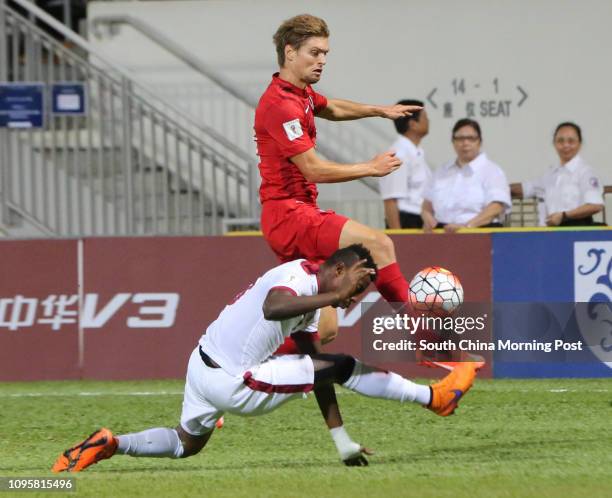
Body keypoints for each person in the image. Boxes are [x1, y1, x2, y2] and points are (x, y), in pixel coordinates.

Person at [51, 245, 478, 472]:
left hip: (201, 366)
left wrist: (341, 441)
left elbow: (318, 371)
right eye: (360, 284)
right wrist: (337, 296)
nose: (358, 294)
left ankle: (111, 444)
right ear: (341, 269)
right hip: (235, 379)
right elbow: (274, 307)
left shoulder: (310, 296)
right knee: (344, 365)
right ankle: (435, 399)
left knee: (187, 443)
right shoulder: (296, 277)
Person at [256, 14, 437, 365]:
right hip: (289, 214)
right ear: (289, 52)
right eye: (314, 52)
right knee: (379, 243)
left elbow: (334, 107)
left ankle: (237, 373)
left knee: (323, 331)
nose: (322, 60)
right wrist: (370, 167)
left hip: (292, 215)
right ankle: (426, 338)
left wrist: (379, 110)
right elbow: (312, 169)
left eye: (325, 53)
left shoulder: (301, 93)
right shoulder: (280, 105)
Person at [421, 118, 511, 233]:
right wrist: (427, 216)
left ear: (479, 142)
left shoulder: (492, 171)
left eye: (471, 138)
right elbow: (427, 203)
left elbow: (496, 207)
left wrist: (467, 227)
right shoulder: (441, 171)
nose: (465, 143)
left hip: (480, 233)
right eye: (460, 138)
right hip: (442, 233)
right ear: (453, 142)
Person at [510, 122, 604, 226]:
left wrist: (564, 216)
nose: (565, 145)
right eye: (560, 141)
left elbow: (595, 205)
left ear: (579, 144)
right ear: (554, 144)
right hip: (552, 234)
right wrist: (499, 188)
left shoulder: (585, 172)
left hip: (576, 232)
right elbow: (525, 188)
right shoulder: (551, 174)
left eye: (571, 141)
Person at [379, 99, 432, 229]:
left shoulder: (415, 152)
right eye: (425, 117)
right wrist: (399, 238)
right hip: (406, 222)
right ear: (413, 124)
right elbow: (391, 200)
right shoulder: (399, 154)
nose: (429, 121)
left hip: (420, 220)